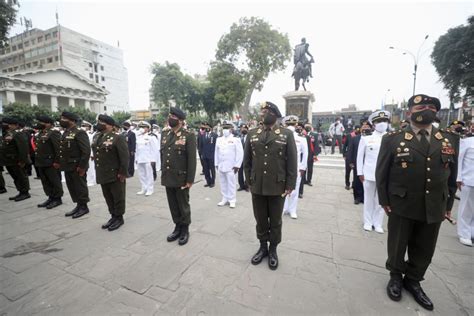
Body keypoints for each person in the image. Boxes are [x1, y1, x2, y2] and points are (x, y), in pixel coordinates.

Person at [376, 94, 458, 311]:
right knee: (397, 242)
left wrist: (448, 206)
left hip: (434, 204)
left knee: (425, 247)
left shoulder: (449, 138)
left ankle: (413, 280)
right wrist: (384, 200)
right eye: (421, 106)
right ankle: (395, 276)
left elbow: (451, 177)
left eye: (431, 107)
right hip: (402, 202)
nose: (426, 109)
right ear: (410, 112)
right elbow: (382, 173)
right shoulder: (393, 139)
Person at [243, 101, 297, 270]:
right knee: (260, 218)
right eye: (261, 111)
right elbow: (247, 161)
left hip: (277, 185)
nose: (262, 114)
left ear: (274, 114)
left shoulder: (286, 134)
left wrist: (290, 184)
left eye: (265, 111)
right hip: (257, 185)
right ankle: (262, 247)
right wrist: (249, 181)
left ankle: (273, 249)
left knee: (275, 220)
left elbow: (292, 162)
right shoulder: (252, 133)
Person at [161, 107, 197, 246]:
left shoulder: (188, 135)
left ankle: (185, 229)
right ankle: (177, 226)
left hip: (181, 177)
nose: (170, 118)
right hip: (168, 176)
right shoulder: (165, 134)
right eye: (169, 116)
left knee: (183, 204)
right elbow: (163, 155)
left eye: (173, 117)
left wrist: (190, 180)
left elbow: (191, 159)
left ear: (181, 120)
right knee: (173, 204)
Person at [92, 115, 129, 231]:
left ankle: (119, 217)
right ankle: (113, 216)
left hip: (115, 173)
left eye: (102, 122)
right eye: (99, 121)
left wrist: (122, 173)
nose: (99, 124)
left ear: (110, 125)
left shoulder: (118, 138)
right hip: (102, 172)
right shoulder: (98, 136)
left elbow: (125, 157)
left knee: (118, 196)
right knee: (108, 196)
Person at [357, 110, 390, 233]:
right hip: (369, 174)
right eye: (379, 121)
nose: (382, 123)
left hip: (385, 175)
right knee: (368, 199)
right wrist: (360, 172)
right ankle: (367, 221)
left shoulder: (391, 138)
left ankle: (378, 223)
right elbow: (360, 157)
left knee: (381, 200)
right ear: (373, 124)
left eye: (384, 121)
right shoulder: (366, 139)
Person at [58, 112, 91, 218]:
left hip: (77, 166)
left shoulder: (79, 132)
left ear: (72, 121)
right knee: (72, 187)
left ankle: (84, 207)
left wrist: (82, 167)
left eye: (64, 118)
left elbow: (86, 151)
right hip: (68, 165)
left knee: (80, 187)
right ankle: (78, 205)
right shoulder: (66, 133)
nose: (61, 120)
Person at [34, 115, 63, 209]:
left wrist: (57, 162)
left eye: (41, 122)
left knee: (54, 181)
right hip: (41, 162)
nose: (39, 123)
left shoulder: (54, 133)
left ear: (48, 124)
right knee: (45, 181)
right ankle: (50, 197)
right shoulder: (40, 134)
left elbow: (58, 149)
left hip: (51, 162)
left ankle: (57, 199)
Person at [282, 116, 307, 219]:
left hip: (296, 168)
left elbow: (305, 154)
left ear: (296, 125)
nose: (290, 127)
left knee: (294, 190)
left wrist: (302, 168)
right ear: (285, 125)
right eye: (288, 125)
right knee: (282, 189)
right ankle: (284, 208)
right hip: (283, 168)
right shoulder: (282, 137)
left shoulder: (301, 138)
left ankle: (292, 210)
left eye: (292, 125)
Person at [214, 121, 244, 208]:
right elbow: (216, 152)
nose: (225, 130)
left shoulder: (235, 140)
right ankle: (224, 198)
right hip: (221, 165)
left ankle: (232, 199)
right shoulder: (219, 140)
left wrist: (237, 165)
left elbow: (240, 153)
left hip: (231, 166)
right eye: (224, 128)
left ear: (231, 130)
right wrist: (216, 163)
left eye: (227, 128)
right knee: (222, 182)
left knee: (231, 183)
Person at [1, 117, 30, 201]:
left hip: (16, 160)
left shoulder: (18, 134)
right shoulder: (8, 133)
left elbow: (23, 149)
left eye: (5, 124)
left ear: (12, 125)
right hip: (9, 161)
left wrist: (22, 161)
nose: (3, 125)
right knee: (16, 177)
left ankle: (25, 193)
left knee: (21, 176)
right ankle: (21, 191)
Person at [456, 122, 474, 246]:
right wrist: (458, 177)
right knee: (466, 208)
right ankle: (464, 233)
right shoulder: (467, 142)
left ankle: (471, 232)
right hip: (468, 179)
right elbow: (459, 160)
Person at [135, 121, 160, 196]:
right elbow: (137, 149)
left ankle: (150, 189)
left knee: (149, 174)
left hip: (148, 159)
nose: (142, 129)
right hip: (140, 158)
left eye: (144, 127)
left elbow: (155, 149)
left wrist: (153, 160)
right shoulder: (139, 137)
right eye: (141, 127)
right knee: (141, 174)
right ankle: (144, 188)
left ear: (148, 128)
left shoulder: (151, 137)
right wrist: (136, 159)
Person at [346, 124, 365, 204]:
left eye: (368, 127)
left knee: (365, 182)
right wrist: (350, 162)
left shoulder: (372, 139)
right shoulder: (355, 139)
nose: (365, 129)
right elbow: (350, 150)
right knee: (356, 181)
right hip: (356, 163)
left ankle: (364, 197)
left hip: (367, 164)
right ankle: (357, 197)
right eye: (364, 127)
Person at [200, 122, 217, 188]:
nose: (206, 128)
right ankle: (208, 181)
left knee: (212, 169)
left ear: (210, 128)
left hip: (211, 155)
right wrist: (201, 154)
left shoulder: (214, 135)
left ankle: (212, 182)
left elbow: (216, 146)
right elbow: (201, 145)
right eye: (205, 127)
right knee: (206, 170)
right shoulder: (203, 135)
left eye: (207, 127)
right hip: (204, 155)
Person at [81, 121, 96, 187]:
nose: (85, 127)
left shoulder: (91, 134)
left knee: (91, 168)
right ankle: (88, 180)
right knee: (86, 167)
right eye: (84, 126)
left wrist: (92, 154)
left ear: (89, 127)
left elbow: (92, 145)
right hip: (85, 153)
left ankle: (92, 181)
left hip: (90, 153)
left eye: (86, 126)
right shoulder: (83, 133)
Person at [237, 124, 249, 192]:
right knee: (240, 172)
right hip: (240, 157)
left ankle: (247, 185)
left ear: (247, 129)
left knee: (247, 172)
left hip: (247, 157)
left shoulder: (249, 137)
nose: (243, 130)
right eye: (242, 128)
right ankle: (241, 185)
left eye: (244, 128)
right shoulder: (239, 137)